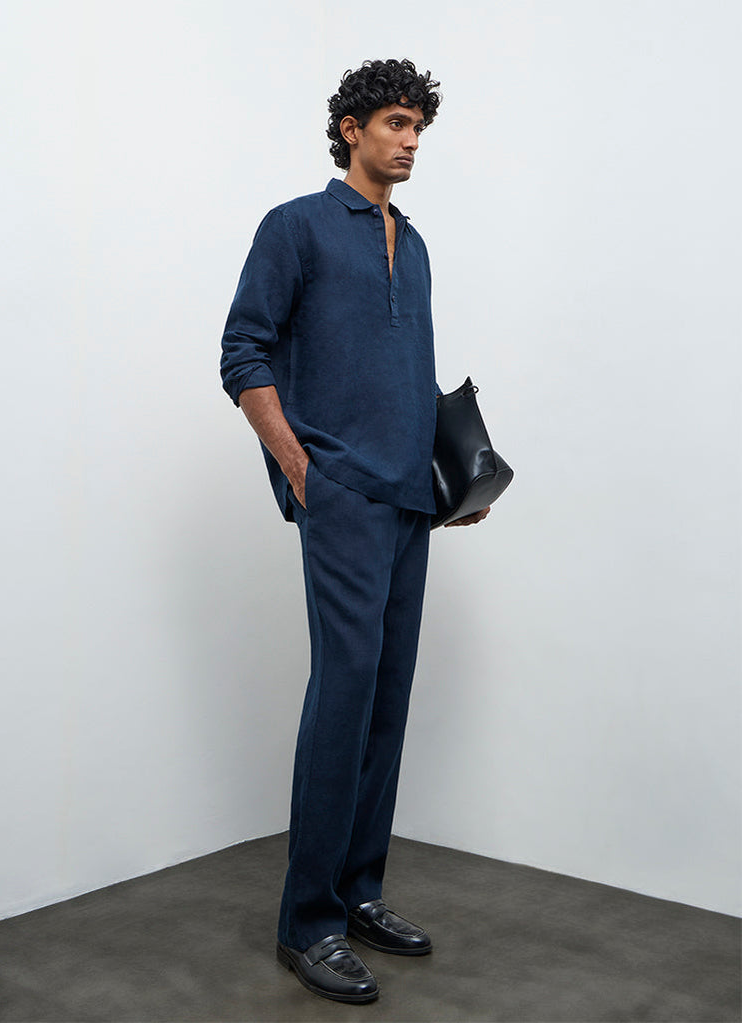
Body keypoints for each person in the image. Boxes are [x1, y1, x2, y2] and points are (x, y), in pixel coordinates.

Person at [219, 57, 490, 1005]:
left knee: (385, 699)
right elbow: (242, 352)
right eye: (396, 124)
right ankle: (308, 922)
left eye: (419, 127)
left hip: (411, 501)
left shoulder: (413, 243)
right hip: (341, 495)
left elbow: (404, 371)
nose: (410, 142)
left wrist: (452, 479)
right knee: (342, 695)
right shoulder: (295, 225)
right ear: (350, 129)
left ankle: (359, 890)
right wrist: (304, 473)